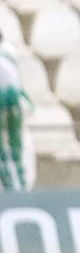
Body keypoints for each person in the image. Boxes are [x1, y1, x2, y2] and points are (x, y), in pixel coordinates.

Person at [0, 30, 27, 190]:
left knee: (10, 156)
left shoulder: (5, 61)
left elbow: (14, 97)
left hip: (8, 121)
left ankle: (17, 192)